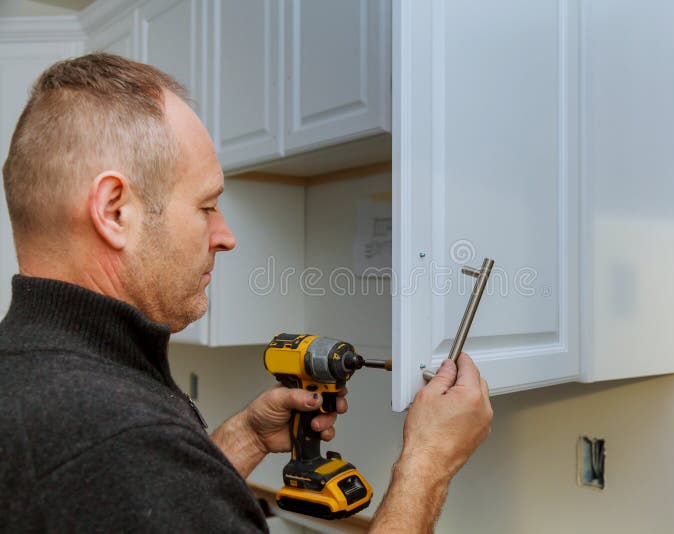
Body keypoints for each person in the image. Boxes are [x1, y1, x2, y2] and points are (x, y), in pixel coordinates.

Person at [0, 53, 493, 532]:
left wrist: (243, 439)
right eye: (206, 206)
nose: (226, 235)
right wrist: (428, 465)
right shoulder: (123, 437)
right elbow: (141, 469)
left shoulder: (28, 372)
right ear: (114, 212)